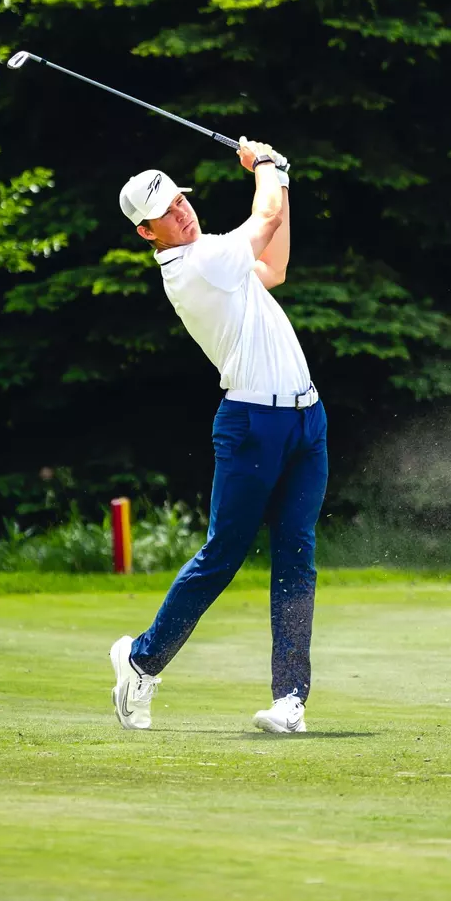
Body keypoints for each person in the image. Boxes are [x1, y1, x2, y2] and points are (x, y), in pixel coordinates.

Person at [110, 137, 328, 733]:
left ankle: (290, 700)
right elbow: (264, 218)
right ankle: (141, 661)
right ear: (148, 234)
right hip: (253, 425)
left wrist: (279, 175)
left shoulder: (213, 251)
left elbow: (275, 265)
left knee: (297, 558)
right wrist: (266, 169)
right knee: (222, 556)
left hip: (307, 420)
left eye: (180, 200)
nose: (182, 211)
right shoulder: (194, 264)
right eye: (167, 213)